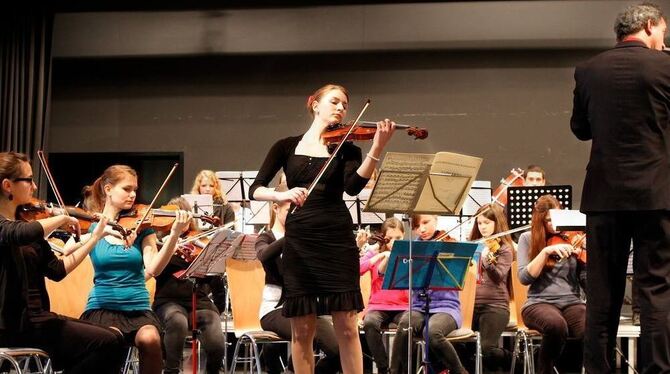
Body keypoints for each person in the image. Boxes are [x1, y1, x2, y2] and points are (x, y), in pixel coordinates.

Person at [249, 83, 396, 374]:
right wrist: (282, 195)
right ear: (315, 104)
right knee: (303, 329)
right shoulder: (286, 146)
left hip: (337, 239)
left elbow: (353, 187)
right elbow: (256, 189)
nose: (341, 108)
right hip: (301, 241)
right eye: (334, 102)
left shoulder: (348, 148)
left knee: (348, 327)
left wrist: (377, 146)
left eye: (344, 104)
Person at [570, 3, 670, 372]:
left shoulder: (588, 70)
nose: (664, 38)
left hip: (604, 196)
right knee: (655, 289)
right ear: (647, 26)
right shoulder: (666, 67)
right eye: (663, 30)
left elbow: (581, 129)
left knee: (602, 293)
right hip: (656, 194)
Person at [0, 151, 125, 373]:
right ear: (8, 185)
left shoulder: (28, 225)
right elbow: (15, 233)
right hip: (12, 323)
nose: (35, 187)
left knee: (114, 337)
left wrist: (96, 237)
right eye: (28, 180)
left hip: (38, 318)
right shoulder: (13, 228)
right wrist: (62, 218)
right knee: (106, 342)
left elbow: (57, 270)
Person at [70, 164, 192, 374]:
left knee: (150, 338)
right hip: (102, 308)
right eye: (127, 189)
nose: (133, 195)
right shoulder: (92, 226)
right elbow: (68, 250)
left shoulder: (143, 227)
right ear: (108, 189)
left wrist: (173, 235)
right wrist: (100, 232)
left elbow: (154, 268)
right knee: (111, 339)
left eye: (135, 189)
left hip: (137, 309)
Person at [256, 183, 340, 374]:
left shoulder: (308, 239)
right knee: (304, 334)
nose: (296, 216)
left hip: (309, 307)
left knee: (338, 350)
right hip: (276, 310)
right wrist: (292, 235)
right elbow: (264, 256)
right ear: (275, 207)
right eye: (290, 210)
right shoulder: (266, 238)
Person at [152, 196, 225, 374]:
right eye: (175, 217)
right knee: (177, 321)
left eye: (184, 216)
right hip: (168, 301)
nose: (180, 221)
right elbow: (154, 271)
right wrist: (170, 247)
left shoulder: (199, 243)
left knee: (216, 341)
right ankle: (171, 370)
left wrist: (209, 264)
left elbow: (215, 281)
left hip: (198, 301)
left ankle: (214, 370)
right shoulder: (158, 243)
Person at [516, 195, 586, 374]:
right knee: (556, 325)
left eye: (557, 218)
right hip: (538, 302)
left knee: (587, 328)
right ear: (540, 220)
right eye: (548, 220)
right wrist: (545, 252)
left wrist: (586, 256)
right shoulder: (527, 238)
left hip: (572, 301)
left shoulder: (572, 237)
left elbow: (586, 280)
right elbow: (524, 277)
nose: (554, 225)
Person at [390, 214, 468, 374]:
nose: (422, 229)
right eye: (417, 226)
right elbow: (403, 279)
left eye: (426, 222)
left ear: (436, 219)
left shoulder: (449, 244)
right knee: (405, 326)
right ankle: (396, 371)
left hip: (447, 307)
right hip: (419, 305)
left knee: (432, 332)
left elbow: (459, 275)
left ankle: (460, 371)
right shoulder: (412, 249)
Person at [468, 204, 514, 373]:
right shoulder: (473, 246)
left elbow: (498, 276)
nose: (483, 227)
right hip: (470, 306)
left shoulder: (504, 248)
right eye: (479, 223)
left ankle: (515, 359)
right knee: (460, 347)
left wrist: (486, 259)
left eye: (487, 222)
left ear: (497, 223)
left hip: (495, 306)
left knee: (487, 350)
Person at [359, 216, 407, 374]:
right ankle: (382, 367)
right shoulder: (376, 253)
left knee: (409, 324)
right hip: (378, 306)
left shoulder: (409, 255)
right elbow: (358, 269)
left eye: (398, 238)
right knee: (370, 323)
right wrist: (377, 255)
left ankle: (397, 369)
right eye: (389, 239)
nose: (393, 242)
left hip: (403, 306)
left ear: (404, 236)